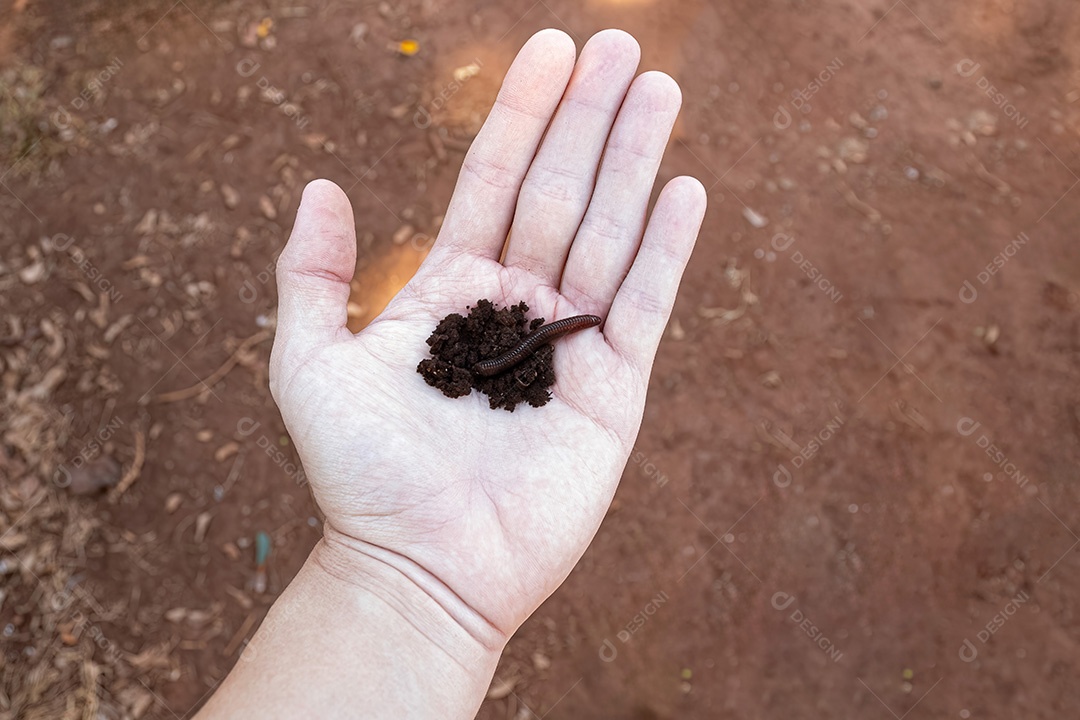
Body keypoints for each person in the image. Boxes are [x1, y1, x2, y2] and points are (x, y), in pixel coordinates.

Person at [197, 27, 706, 719]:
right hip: (502, 366)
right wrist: (405, 574)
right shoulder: (493, 354)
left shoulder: (509, 350)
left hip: (508, 360)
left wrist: (405, 584)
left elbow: (528, 348)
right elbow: (521, 352)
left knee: (533, 344)